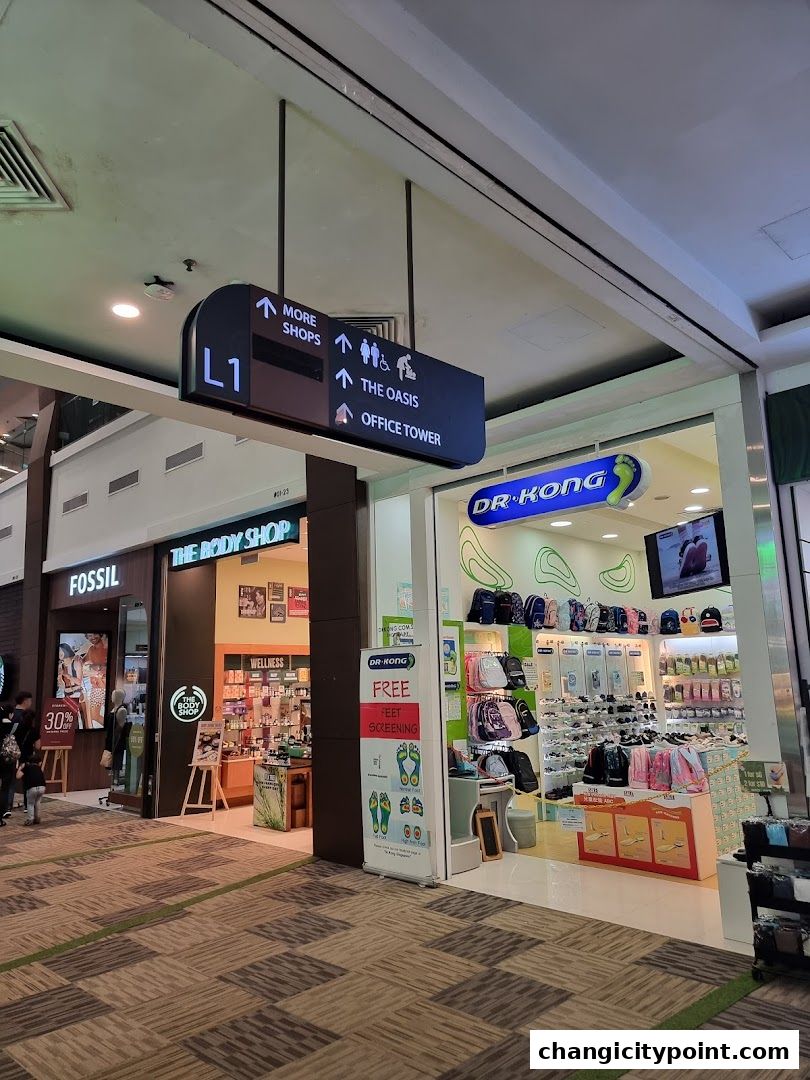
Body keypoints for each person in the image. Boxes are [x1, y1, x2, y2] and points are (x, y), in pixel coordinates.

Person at [17, 750, 46, 825]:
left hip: (31, 788)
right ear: (39, 762)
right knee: (37, 802)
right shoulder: (39, 768)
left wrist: (20, 767)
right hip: (42, 787)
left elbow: (18, 776)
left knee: (30, 803)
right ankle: (37, 818)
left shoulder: (27, 767)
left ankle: (30, 819)